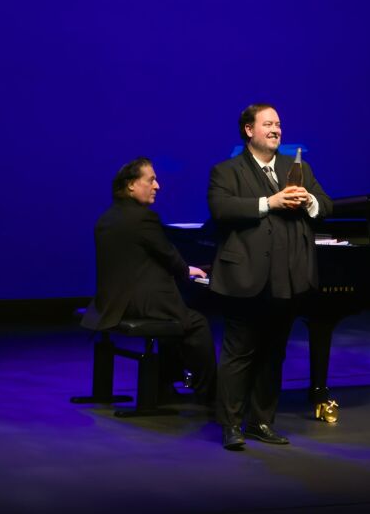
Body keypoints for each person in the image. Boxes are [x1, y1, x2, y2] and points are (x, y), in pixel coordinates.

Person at [207, 103, 332, 450]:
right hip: (246, 277)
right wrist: (270, 202)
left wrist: (309, 201)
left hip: (287, 279)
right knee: (239, 353)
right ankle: (231, 424)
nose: (277, 130)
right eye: (268, 124)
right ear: (249, 130)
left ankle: (262, 421)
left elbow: (326, 205)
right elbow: (222, 209)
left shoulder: (298, 168)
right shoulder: (227, 170)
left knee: (273, 353)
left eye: (278, 124)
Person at [82, 157, 216, 406]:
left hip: (110, 301)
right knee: (196, 324)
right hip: (137, 302)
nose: (158, 186)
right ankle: (209, 392)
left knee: (177, 318)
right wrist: (187, 270)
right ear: (132, 185)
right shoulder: (143, 218)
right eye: (151, 180)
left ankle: (165, 385)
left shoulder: (109, 216)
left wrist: (182, 270)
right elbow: (168, 255)